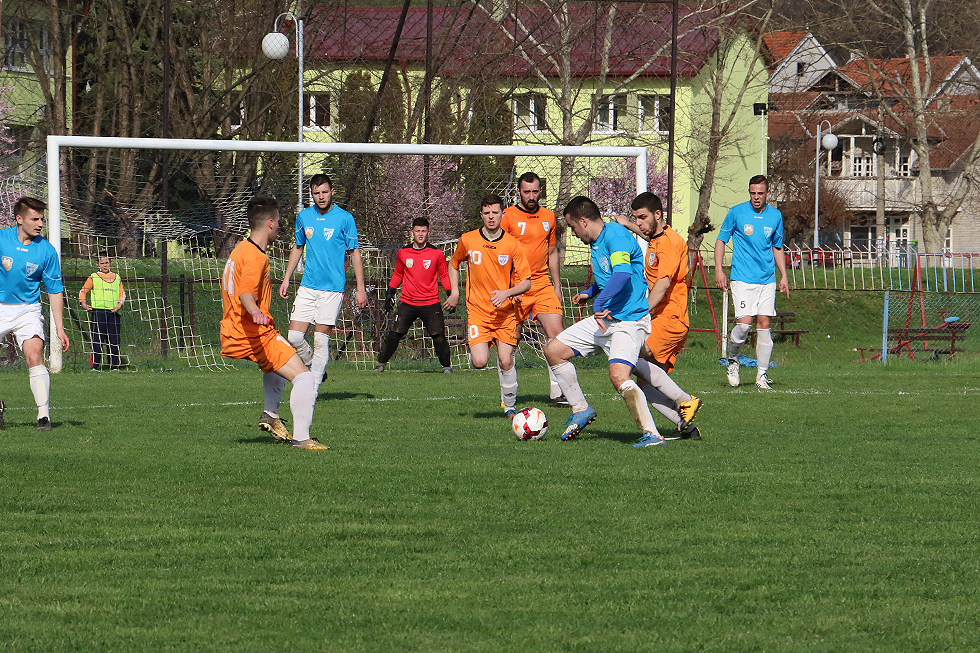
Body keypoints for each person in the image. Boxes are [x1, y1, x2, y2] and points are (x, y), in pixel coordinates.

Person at [543, 196, 666, 447]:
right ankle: (581, 409)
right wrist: (590, 293)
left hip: (629, 320)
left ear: (584, 221)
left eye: (573, 227)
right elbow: (608, 277)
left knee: (619, 376)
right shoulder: (597, 242)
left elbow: (622, 274)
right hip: (609, 317)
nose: (574, 234)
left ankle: (653, 435)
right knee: (554, 350)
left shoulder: (616, 237)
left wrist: (599, 303)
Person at [221, 196, 328, 450]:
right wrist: (255, 311)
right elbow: (245, 292)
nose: (279, 227)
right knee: (304, 377)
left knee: (274, 365)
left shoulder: (240, 249)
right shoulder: (257, 258)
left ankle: (271, 414)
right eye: (278, 222)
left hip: (233, 330)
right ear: (269, 223)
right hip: (252, 331)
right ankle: (302, 439)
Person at [614, 192, 702, 441]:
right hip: (662, 317)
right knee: (644, 384)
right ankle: (686, 427)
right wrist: (628, 224)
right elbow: (647, 233)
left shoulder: (670, 243)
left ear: (658, 215)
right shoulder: (657, 237)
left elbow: (662, 285)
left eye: (642, 217)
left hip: (670, 318)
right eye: (636, 218)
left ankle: (687, 401)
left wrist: (640, 313)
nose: (640, 223)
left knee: (630, 356)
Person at [279, 174, 368, 394]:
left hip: (333, 289)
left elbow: (354, 253)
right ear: (312, 194)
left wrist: (360, 288)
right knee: (294, 337)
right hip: (308, 286)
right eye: (317, 193)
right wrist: (287, 277)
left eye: (325, 192)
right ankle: (314, 365)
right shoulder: (304, 217)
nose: (321, 197)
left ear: (332, 192)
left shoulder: (345, 218)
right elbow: (298, 247)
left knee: (320, 339)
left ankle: (312, 388)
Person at [445, 194, 531, 417]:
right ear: (481, 215)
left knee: (505, 360)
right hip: (478, 312)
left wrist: (508, 293)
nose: (491, 217)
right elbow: (453, 264)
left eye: (495, 212)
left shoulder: (513, 244)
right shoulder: (468, 240)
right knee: (480, 361)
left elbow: (526, 282)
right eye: (487, 213)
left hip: (505, 313)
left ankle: (510, 408)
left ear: (502, 214)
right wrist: (455, 292)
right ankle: (482, 347)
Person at [0, 196, 70, 431]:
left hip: (28, 309)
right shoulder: (1, 239)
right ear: (19, 219)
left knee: (34, 356)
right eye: (35, 218)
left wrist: (60, 328)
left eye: (42, 218)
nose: (40, 223)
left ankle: (43, 417)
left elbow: (55, 290)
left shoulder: (47, 251)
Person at [714, 174, 789, 390]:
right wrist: (719, 270)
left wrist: (783, 275)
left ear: (767, 193)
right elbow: (720, 241)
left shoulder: (775, 216)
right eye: (753, 193)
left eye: (760, 193)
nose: (756, 197)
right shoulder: (736, 212)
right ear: (749, 192)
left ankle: (761, 376)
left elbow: (776, 246)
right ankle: (733, 359)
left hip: (767, 279)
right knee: (744, 325)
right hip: (742, 278)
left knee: (764, 324)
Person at [501, 172, 567, 406]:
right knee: (511, 339)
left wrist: (557, 285)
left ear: (541, 191)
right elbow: (500, 254)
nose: (531, 196)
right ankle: (507, 397)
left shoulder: (549, 216)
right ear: (518, 192)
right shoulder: (507, 216)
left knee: (557, 336)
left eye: (535, 191)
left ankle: (557, 394)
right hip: (515, 285)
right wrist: (507, 287)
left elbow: (551, 252)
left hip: (541, 284)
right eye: (526, 191)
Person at [373, 217, 453, 373]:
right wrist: (390, 291)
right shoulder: (403, 252)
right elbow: (398, 274)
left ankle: (447, 367)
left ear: (428, 233)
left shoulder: (436, 253)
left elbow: (443, 276)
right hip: (408, 302)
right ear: (412, 232)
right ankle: (380, 365)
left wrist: (450, 293)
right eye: (417, 231)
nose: (420, 234)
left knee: (438, 336)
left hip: (430, 302)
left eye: (423, 231)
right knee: (395, 333)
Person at [79, 253, 125, 370]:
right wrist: (83, 303)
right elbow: (83, 291)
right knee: (98, 340)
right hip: (98, 312)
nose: (105, 265)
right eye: (102, 263)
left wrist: (119, 305)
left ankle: (113, 365)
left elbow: (122, 294)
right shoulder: (93, 277)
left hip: (113, 312)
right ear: (97, 264)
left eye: (107, 263)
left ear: (111, 262)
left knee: (114, 340)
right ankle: (95, 365)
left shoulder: (117, 277)